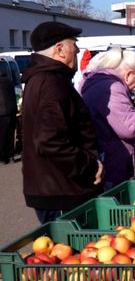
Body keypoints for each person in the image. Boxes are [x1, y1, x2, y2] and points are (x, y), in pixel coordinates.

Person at [21, 21, 104, 223]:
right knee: (70, 250)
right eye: (73, 45)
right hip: (61, 192)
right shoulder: (51, 83)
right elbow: (50, 140)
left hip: (56, 187)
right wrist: (89, 166)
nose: (76, 50)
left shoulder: (45, 79)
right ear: (59, 50)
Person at [80, 48, 135, 190]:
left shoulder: (96, 82)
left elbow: (116, 117)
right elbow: (129, 127)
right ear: (129, 74)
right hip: (110, 163)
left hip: (102, 156)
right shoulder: (112, 87)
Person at [0, 68, 17, 164]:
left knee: (2, 136)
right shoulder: (9, 81)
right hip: (12, 111)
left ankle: (3, 157)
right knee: (10, 135)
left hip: (2, 113)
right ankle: (11, 156)